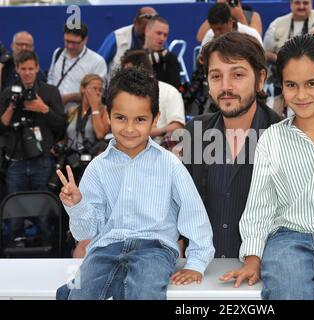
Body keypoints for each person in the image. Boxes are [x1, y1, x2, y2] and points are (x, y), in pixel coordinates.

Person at [181, 32, 314, 278]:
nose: (226, 86)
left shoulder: (284, 135)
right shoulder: (195, 132)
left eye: (238, 75)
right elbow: (179, 203)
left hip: (268, 273)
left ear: (261, 79)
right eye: (216, 76)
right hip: (201, 272)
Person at [55, 67, 214, 300]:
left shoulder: (169, 164)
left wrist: (196, 263)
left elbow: (194, 215)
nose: (129, 129)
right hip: (105, 249)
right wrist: (76, 206)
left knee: (143, 293)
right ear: (108, 115)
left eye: (140, 119)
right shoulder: (98, 168)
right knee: (79, 295)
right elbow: (86, 232)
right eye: (121, 118)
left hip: (155, 250)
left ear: (155, 119)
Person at [0, 50, 66, 243]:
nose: (27, 73)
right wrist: (12, 106)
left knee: (44, 216)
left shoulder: (50, 92)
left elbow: (61, 126)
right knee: (14, 216)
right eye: (23, 69)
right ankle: (12, 259)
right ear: (17, 70)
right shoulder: (8, 93)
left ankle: (48, 253)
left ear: (37, 68)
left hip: (42, 161)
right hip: (16, 162)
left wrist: (44, 109)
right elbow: (1, 128)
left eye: (31, 68)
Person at [120, 49, 185, 146]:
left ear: (143, 70)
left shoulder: (169, 92)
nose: (126, 78)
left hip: (162, 147)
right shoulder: (124, 95)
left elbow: (177, 127)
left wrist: (151, 132)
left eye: (129, 73)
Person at [47, 23, 107, 112]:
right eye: (67, 41)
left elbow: (97, 93)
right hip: (54, 111)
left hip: (80, 115)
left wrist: (68, 98)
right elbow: (51, 78)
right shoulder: (57, 53)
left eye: (75, 43)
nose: (70, 46)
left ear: (85, 40)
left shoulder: (97, 61)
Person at [97, 6, 157, 80]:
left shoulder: (159, 39)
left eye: (150, 30)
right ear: (135, 23)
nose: (146, 33)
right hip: (116, 87)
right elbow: (98, 64)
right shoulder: (117, 37)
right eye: (144, 29)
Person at [196, 0, 263, 43]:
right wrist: (218, 9)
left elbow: (254, 41)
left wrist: (240, 16)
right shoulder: (212, 31)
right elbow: (200, 38)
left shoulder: (253, 15)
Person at [143, 15, 181, 89]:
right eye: (158, 33)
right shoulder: (133, 55)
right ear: (147, 31)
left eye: (165, 35)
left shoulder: (170, 58)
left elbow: (174, 90)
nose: (162, 38)